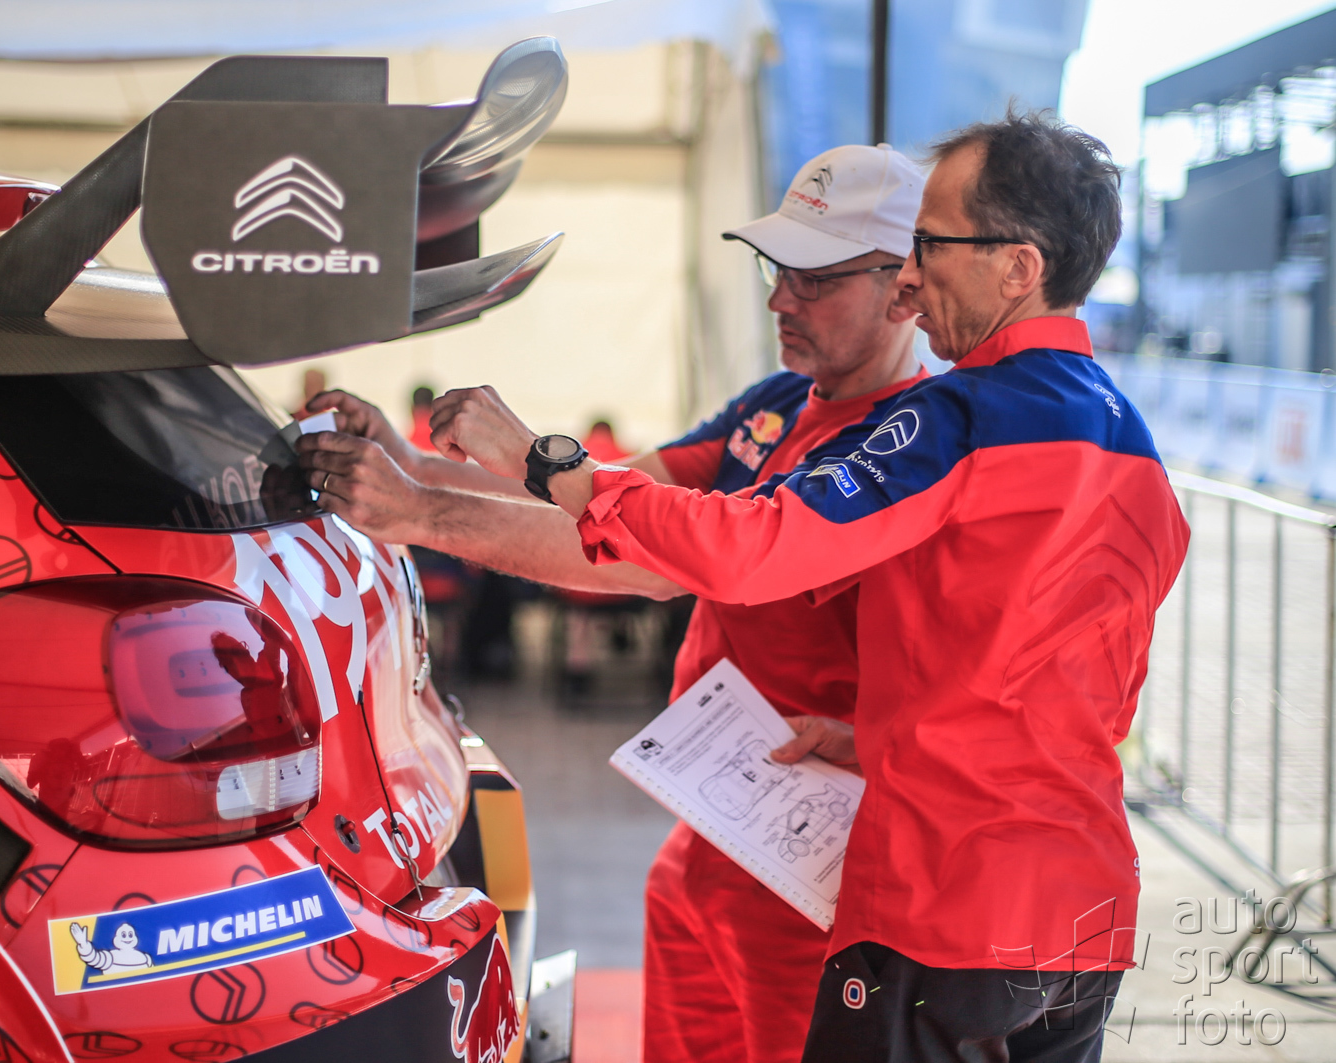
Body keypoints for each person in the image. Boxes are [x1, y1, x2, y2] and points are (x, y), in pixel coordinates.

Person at [406, 110, 1189, 1063]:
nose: (912, 276)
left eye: (930, 246)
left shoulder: (956, 416)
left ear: (1018, 268)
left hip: (942, 900)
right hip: (1081, 907)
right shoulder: (1133, 441)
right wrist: (877, 738)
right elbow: (1053, 683)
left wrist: (543, 460)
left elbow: (747, 549)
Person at [299, 144, 927, 1063]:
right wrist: (411, 466)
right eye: (776, 270)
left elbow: (649, 560)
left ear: (905, 289)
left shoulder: (907, 442)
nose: (779, 302)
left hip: (816, 861)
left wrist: (422, 509)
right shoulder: (778, 404)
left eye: (814, 279)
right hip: (713, 826)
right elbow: (610, 498)